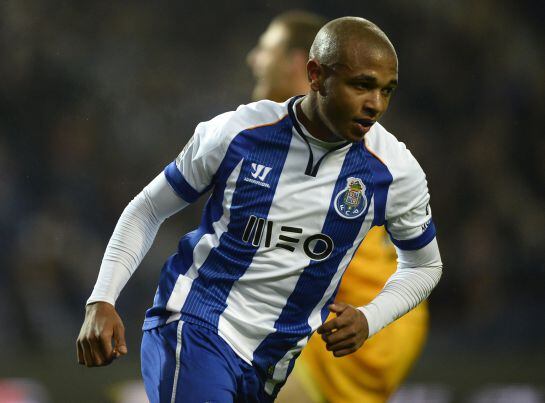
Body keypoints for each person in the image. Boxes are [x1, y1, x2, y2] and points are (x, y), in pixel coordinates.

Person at [77, 16, 442, 403]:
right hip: (196, 325)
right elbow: (149, 208)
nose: (375, 105)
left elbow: (425, 265)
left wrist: (372, 317)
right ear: (315, 75)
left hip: (271, 363)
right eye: (362, 86)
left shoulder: (395, 173)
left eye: (387, 91)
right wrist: (102, 298)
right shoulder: (236, 133)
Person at [247, 12, 430, 403]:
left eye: (266, 48)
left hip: (358, 320)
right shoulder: (295, 125)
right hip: (363, 320)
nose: (255, 59)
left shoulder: (327, 130)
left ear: (299, 64)